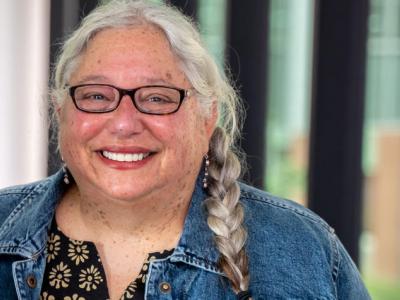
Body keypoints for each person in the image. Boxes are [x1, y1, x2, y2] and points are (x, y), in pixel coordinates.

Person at [0, 0, 370, 299]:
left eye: (157, 98)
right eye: (97, 96)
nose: (125, 123)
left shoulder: (301, 250)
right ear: (60, 111)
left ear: (207, 118)